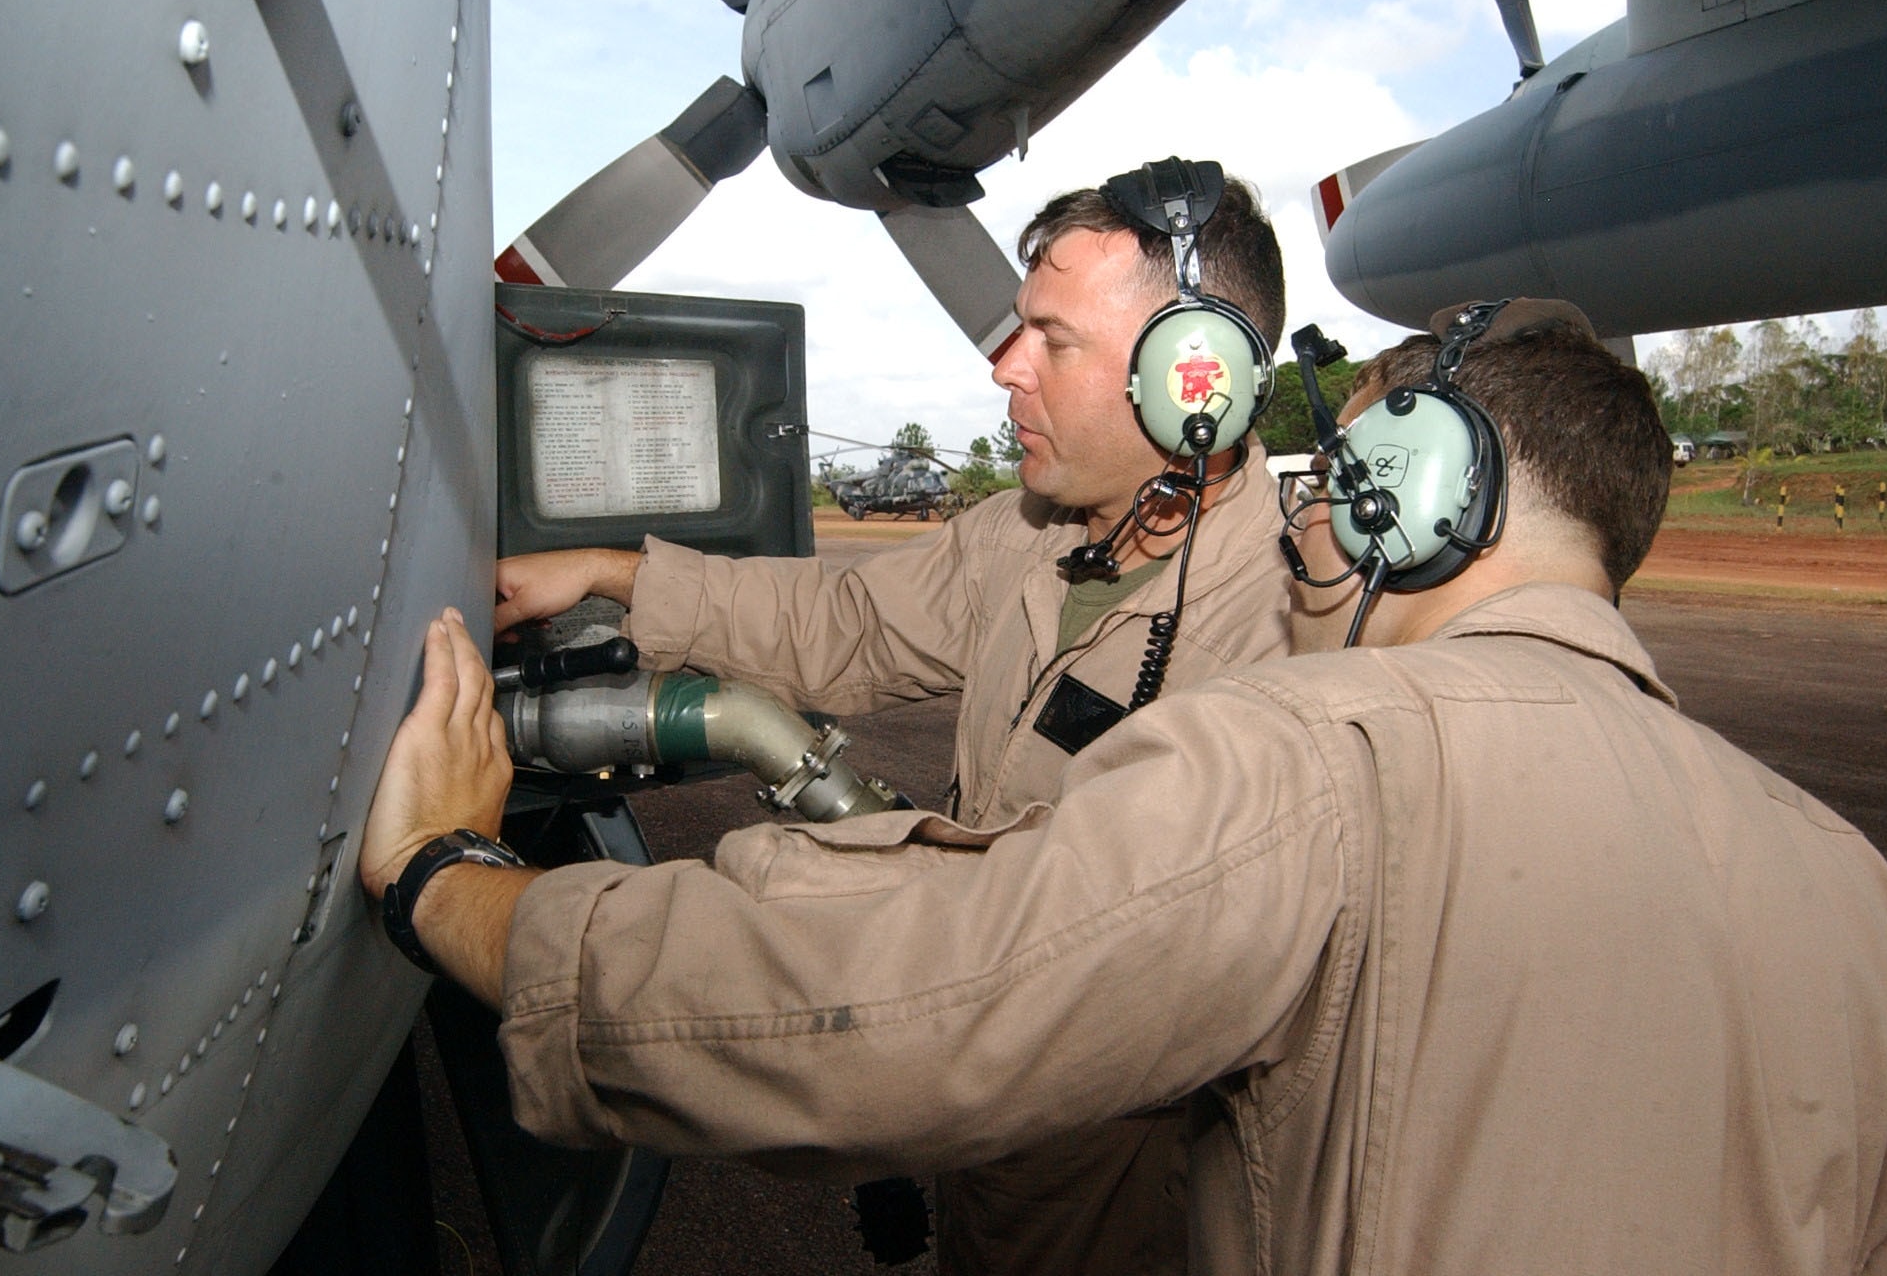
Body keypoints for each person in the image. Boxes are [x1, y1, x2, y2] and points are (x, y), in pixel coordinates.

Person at [364, 298, 1887, 1273]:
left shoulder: (1315, 754)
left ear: (1429, 496)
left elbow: (892, 1009)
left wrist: (460, 883)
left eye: (1346, 490)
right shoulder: (1873, 903)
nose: (1318, 534)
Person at [490, 165, 1293, 1273]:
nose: (1004, 367)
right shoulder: (1027, 531)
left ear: (1191, 380)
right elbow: (851, 622)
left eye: (1049, 341)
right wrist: (609, 573)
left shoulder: (1297, 632)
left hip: (1128, 1178)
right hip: (992, 1150)